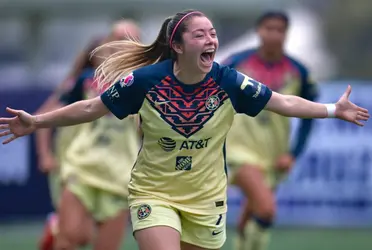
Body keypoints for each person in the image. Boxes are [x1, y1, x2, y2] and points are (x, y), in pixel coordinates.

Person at [0, 9, 368, 250]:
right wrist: (37, 122)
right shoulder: (144, 81)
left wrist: (333, 109)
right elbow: (92, 107)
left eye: (212, 34)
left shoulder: (228, 81)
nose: (211, 40)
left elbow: (283, 102)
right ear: (176, 45)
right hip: (153, 193)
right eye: (200, 35)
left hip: (206, 199)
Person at [35, 19, 141, 250]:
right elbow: (48, 113)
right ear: (108, 43)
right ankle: (58, 229)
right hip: (81, 167)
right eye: (120, 39)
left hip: (119, 177)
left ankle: (55, 227)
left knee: (95, 242)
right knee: (70, 239)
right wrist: (43, 149)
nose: (125, 46)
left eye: (132, 41)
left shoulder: (145, 86)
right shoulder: (86, 82)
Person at [221, 11, 317, 250]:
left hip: (274, 155)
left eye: (279, 29)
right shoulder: (236, 63)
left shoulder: (299, 71)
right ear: (258, 31)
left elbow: (308, 115)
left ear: (286, 33)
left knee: (253, 216)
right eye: (269, 28)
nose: (274, 34)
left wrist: (293, 154)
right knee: (266, 209)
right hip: (239, 150)